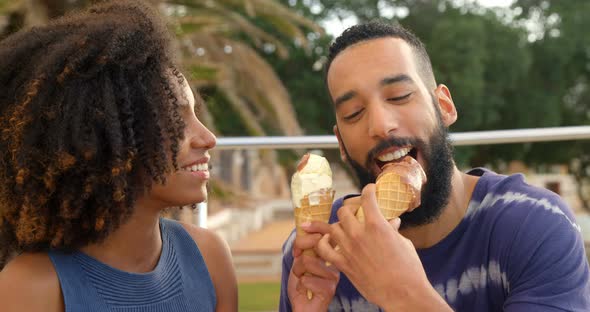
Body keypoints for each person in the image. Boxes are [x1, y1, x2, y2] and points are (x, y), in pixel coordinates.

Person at [280, 22, 590, 311]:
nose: (380, 124)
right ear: (342, 145)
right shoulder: (316, 254)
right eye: (353, 112)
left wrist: (404, 295)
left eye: (399, 96)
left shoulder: (536, 224)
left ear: (444, 106)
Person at [0, 1, 237, 311]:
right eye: (176, 120)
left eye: (195, 114)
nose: (208, 138)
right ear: (102, 139)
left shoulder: (209, 257)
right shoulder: (32, 286)